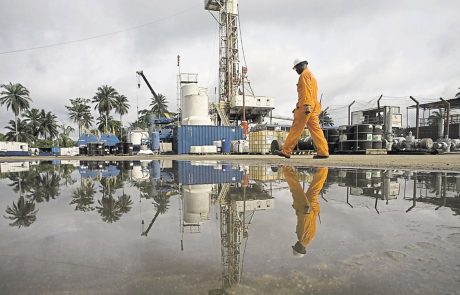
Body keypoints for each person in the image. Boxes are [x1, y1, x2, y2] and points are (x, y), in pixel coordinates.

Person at [276, 57, 329, 159]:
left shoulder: (304, 75)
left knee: (296, 128)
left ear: (302, 65)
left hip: (306, 106)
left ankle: (286, 151)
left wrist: (305, 106)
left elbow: (305, 92)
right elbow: (311, 92)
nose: (296, 70)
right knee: (316, 130)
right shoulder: (312, 76)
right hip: (313, 106)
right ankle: (323, 151)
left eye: (296, 68)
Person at [282, 166, 328, 257]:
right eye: (295, 247)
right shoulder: (302, 238)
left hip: (313, 210)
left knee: (314, 190)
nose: (295, 245)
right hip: (304, 210)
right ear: (298, 248)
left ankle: (323, 169)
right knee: (295, 188)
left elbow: (311, 223)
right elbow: (304, 223)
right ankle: (287, 168)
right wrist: (306, 212)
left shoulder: (310, 239)